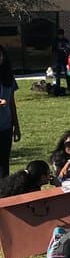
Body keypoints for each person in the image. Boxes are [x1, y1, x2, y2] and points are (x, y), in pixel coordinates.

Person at [0, 45, 21, 177]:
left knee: (4, 163)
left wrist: (16, 126)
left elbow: (12, 103)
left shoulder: (8, 77)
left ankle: (4, 193)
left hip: (6, 126)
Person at [51, 28, 70, 96]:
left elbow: (69, 47)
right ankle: (58, 87)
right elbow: (53, 50)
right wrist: (59, 49)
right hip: (58, 59)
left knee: (67, 73)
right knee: (58, 74)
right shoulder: (55, 41)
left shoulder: (65, 40)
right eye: (60, 35)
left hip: (65, 59)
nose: (61, 36)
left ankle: (69, 86)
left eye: (62, 35)